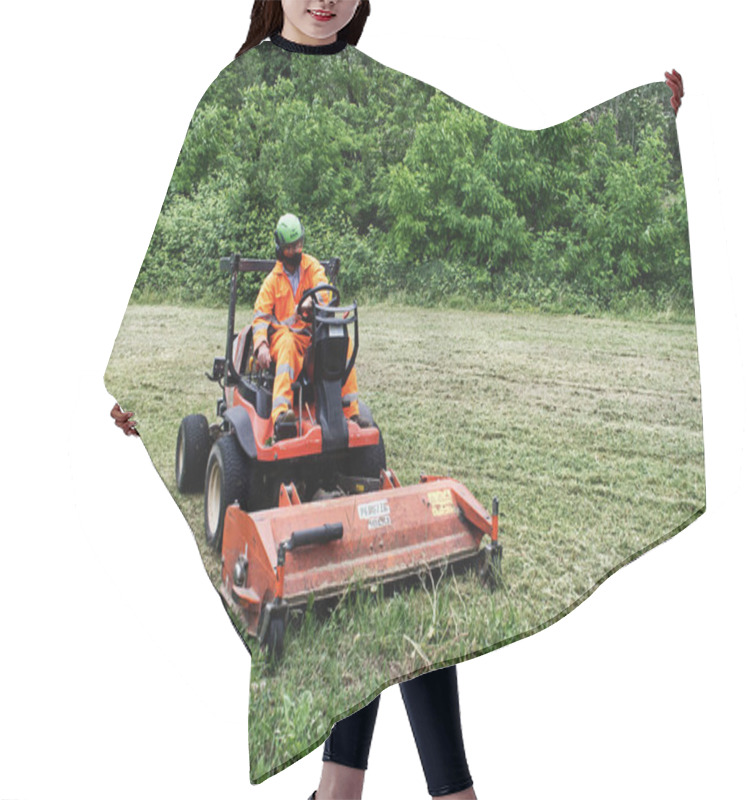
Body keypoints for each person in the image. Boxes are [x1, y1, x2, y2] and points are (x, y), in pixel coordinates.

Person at [239, 5, 479, 799]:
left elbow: (322, 297)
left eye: (300, 251)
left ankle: (340, 791)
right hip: (280, 352)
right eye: (288, 251)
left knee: (333, 373)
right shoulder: (275, 280)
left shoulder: (385, 83)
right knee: (282, 359)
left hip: (317, 354)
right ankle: (284, 423)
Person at [252, 212, 366, 438]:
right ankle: (281, 415)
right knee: (286, 344)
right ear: (280, 248)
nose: (295, 251)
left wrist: (312, 300)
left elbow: (324, 290)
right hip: (285, 340)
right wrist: (261, 346)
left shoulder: (311, 266)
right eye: (290, 247)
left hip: (311, 336)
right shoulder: (271, 283)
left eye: (299, 245)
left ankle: (350, 412)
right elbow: (260, 319)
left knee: (343, 342)